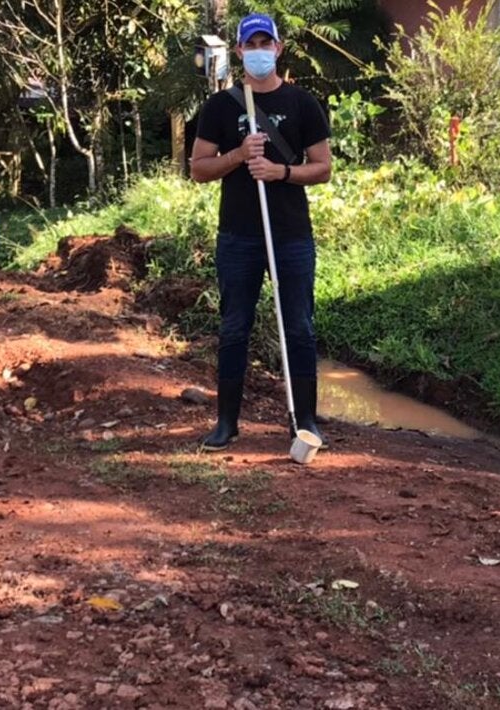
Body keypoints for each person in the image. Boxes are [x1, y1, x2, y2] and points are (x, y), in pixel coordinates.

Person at [189, 13, 332, 451]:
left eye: (264, 43)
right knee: (235, 326)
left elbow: (322, 168)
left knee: (300, 327)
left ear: (278, 48)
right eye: (250, 45)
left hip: (291, 235)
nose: (258, 52)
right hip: (238, 236)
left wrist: (279, 171)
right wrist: (238, 155)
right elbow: (199, 169)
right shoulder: (220, 107)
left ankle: (305, 420)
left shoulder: (303, 103)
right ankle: (226, 422)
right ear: (238, 52)